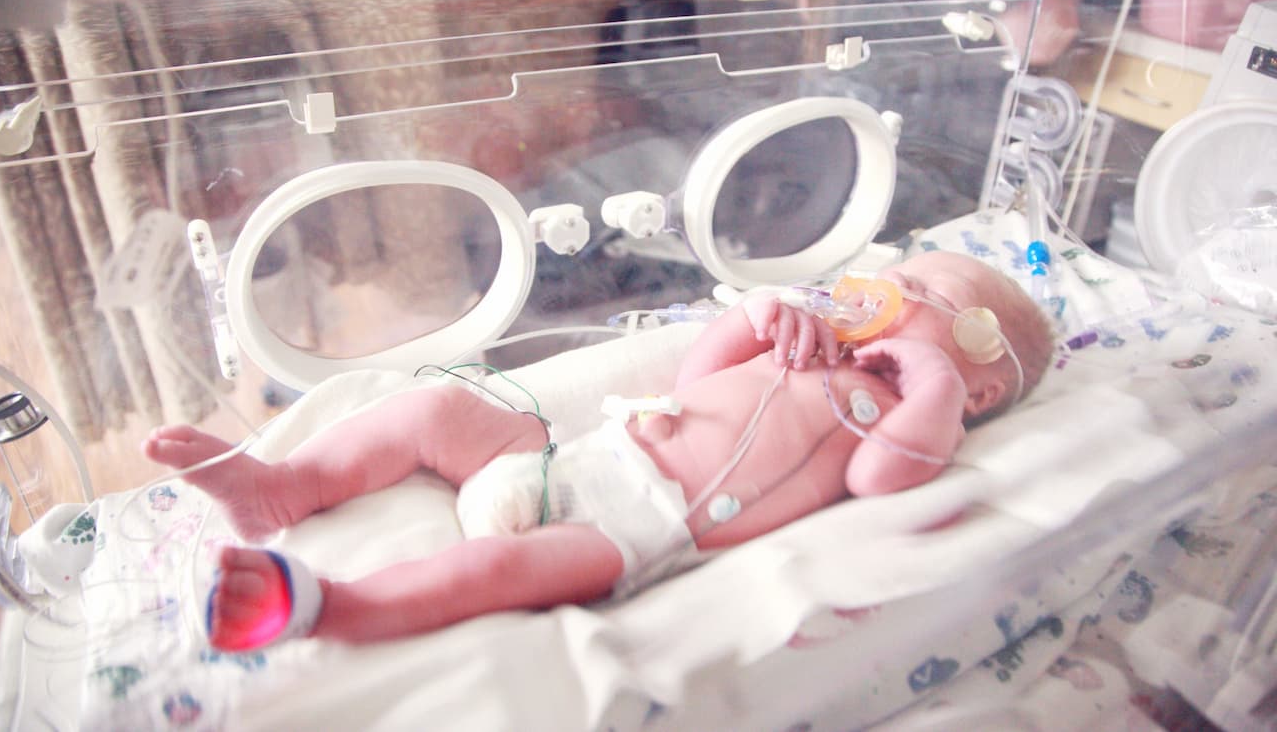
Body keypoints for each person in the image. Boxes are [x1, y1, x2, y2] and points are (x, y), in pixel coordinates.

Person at [144, 250, 1054, 651]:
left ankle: (334, 608)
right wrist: (754, 319)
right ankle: (285, 485)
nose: (890, 289)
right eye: (893, 276)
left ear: (979, 385)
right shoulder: (819, 348)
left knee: (497, 570)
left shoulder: (899, 411)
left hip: (638, 526)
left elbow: (879, 477)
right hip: (578, 450)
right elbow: (696, 379)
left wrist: (928, 385)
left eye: (926, 290)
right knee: (437, 410)